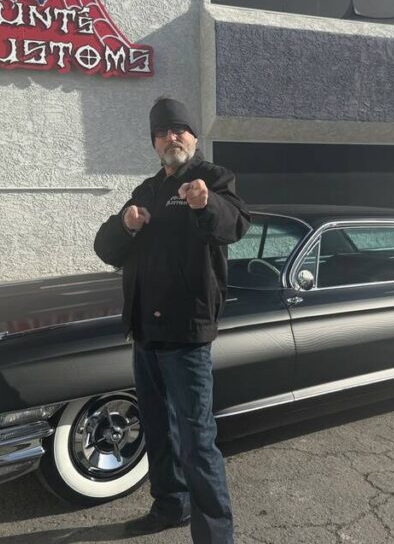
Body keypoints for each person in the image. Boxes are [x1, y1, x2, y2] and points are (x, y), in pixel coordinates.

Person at [93, 97, 250, 544]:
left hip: (186, 333)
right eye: (163, 132)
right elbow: (107, 250)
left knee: (198, 441)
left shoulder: (214, 179)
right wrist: (125, 224)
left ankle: (216, 536)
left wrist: (206, 204)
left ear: (194, 137)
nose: (171, 137)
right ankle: (170, 506)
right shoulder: (145, 190)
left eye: (180, 129)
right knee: (159, 429)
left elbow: (236, 225)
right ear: (154, 142)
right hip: (145, 333)